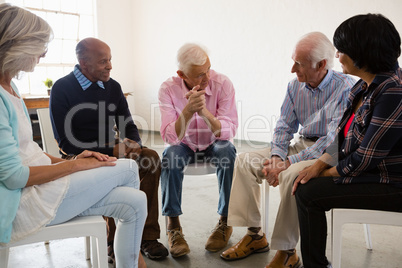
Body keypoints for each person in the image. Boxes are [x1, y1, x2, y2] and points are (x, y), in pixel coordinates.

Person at [0, 3, 147, 268]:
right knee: (127, 168)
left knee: (135, 200)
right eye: (38, 46)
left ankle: (133, 263)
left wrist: (79, 161)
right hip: (23, 203)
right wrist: (76, 164)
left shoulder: (10, 88)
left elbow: (30, 152)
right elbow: (13, 176)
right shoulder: (12, 95)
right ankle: (136, 259)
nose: (43, 54)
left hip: (41, 187)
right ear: (16, 46)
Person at [221, 32, 356, 267]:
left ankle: (287, 251)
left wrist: (288, 163)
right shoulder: (295, 86)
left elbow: (332, 140)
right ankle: (255, 235)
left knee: (292, 175)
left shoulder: (346, 88)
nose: (293, 69)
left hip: (329, 154)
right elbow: (284, 126)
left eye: (299, 63)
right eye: (293, 61)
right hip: (301, 145)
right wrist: (276, 157)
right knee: (244, 161)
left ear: (322, 64)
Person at [293, 14, 402, 268]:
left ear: (362, 54)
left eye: (341, 50)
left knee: (309, 193)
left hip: (393, 183)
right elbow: (342, 137)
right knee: (305, 179)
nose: (337, 56)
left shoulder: (394, 92)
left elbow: (366, 157)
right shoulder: (364, 87)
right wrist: (319, 164)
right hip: (373, 172)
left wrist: (327, 173)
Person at [49, 37, 168, 261]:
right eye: (104, 61)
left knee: (150, 158)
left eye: (110, 60)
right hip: (79, 154)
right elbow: (65, 143)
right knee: (114, 168)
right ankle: (113, 241)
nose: (110, 66)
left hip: (110, 148)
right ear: (84, 63)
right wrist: (112, 151)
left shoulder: (113, 87)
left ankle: (147, 237)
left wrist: (134, 143)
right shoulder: (62, 88)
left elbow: (128, 125)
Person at [158, 43, 238, 257]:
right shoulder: (168, 88)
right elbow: (169, 136)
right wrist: (187, 111)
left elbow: (229, 130)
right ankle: (173, 226)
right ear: (181, 74)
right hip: (183, 144)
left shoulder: (222, 84)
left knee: (227, 151)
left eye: (208, 70)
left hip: (214, 142)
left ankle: (225, 221)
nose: (207, 78)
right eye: (199, 75)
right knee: (170, 156)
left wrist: (203, 112)